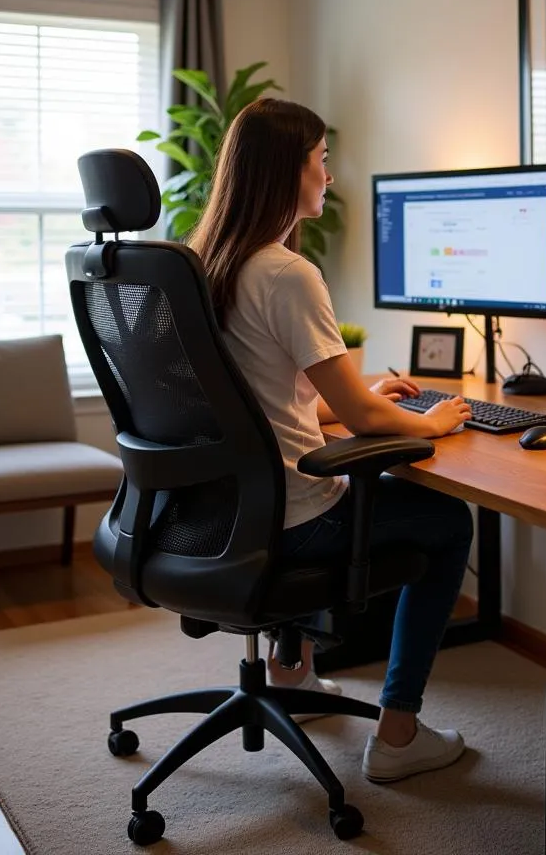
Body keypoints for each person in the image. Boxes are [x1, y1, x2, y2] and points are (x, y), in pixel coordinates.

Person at [188, 97, 475, 784]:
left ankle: (296, 677)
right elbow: (371, 424)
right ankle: (400, 732)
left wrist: (346, 404)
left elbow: (258, 404)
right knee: (447, 520)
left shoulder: (205, 264)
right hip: (287, 522)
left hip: (218, 516)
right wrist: (431, 422)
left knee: (335, 481)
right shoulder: (286, 272)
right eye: (322, 160)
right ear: (291, 171)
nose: (331, 175)